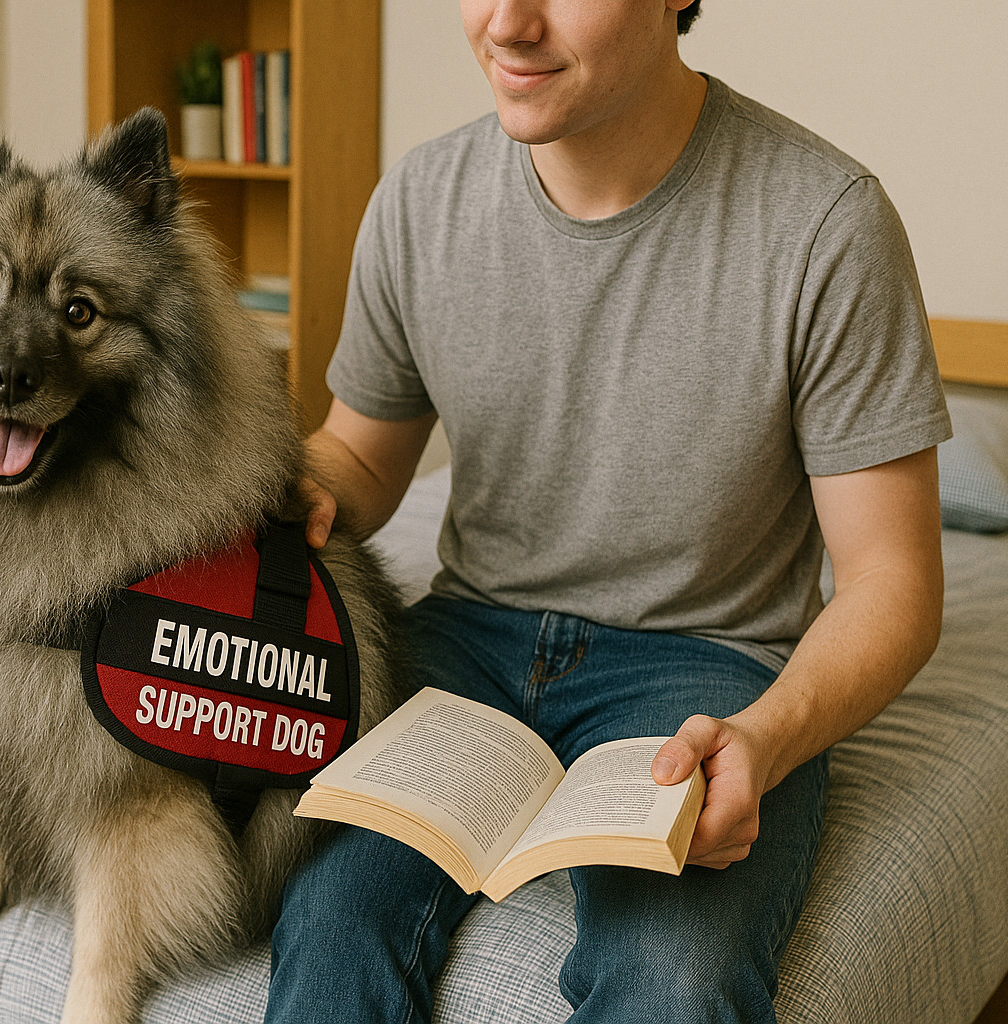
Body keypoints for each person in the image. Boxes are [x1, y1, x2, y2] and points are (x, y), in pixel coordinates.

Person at [265, 1, 952, 1022]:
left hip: (709, 665)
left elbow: (892, 585)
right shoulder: (419, 197)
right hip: (462, 647)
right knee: (326, 919)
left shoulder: (824, 221)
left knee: (675, 982)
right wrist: (288, 489)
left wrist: (765, 739)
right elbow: (363, 451)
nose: (506, 24)